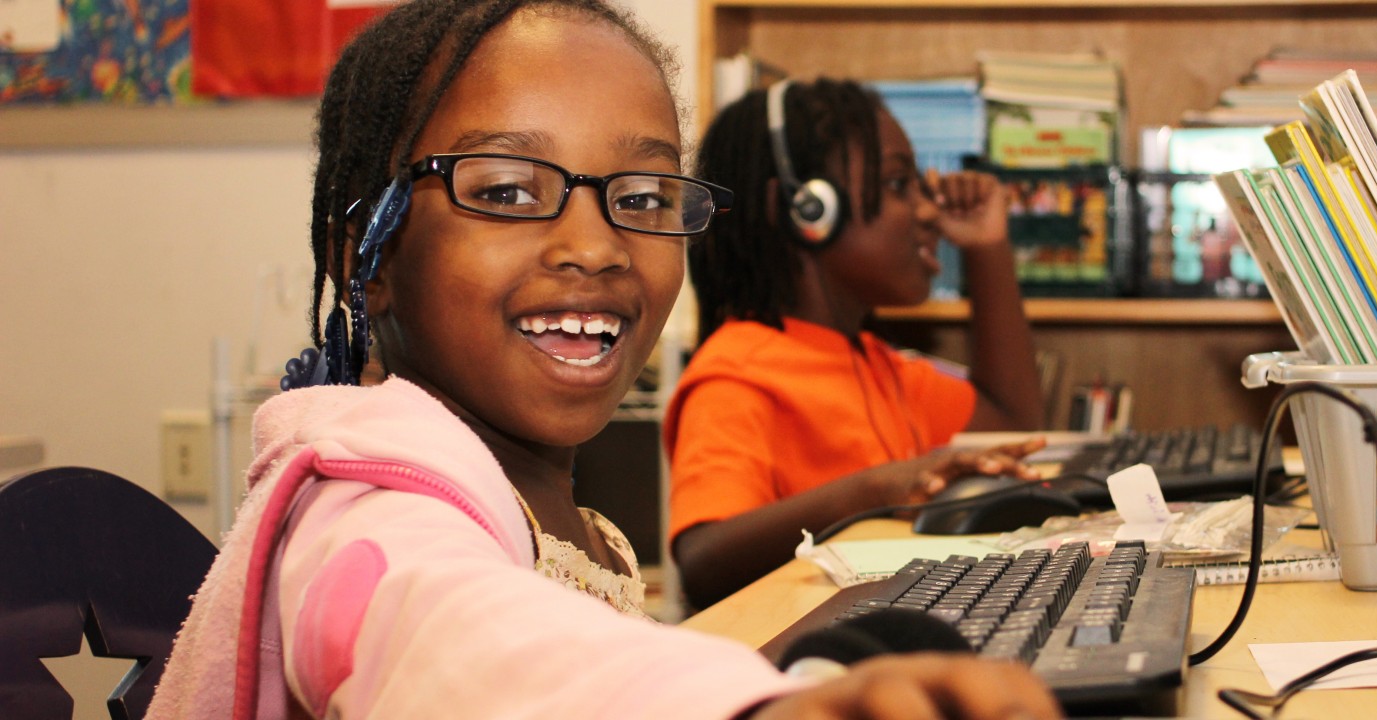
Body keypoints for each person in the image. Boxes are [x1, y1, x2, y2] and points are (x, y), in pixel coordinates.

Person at [150, 2, 1061, 718]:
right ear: (372, 260)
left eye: (642, 195)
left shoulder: (566, 517)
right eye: (506, 189)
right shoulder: (362, 508)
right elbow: (457, 642)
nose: (595, 245)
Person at [669, 79, 1048, 608]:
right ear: (807, 211)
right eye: (898, 185)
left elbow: (1013, 422)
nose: (927, 211)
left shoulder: (878, 365)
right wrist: (875, 491)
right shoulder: (738, 372)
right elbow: (703, 558)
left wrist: (988, 248)